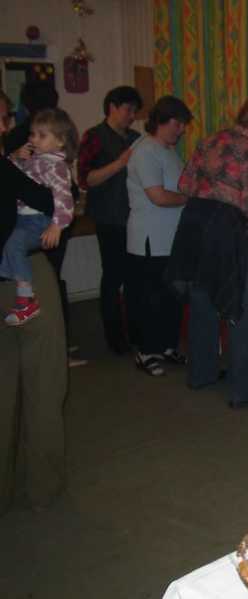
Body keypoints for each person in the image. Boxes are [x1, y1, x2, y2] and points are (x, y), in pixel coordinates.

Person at [170, 95, 248, 408]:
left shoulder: (208, 141)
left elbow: (184, 185)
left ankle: (201, 373)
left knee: (202, 300)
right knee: (239, 307)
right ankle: (246, 389)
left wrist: (213, 193)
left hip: (193, 224)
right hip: (224, 231)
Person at [0, 90, 68, 515]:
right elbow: (47, 201)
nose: (8, 127)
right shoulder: (13, 167)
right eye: (3, 118)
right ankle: (43, 487)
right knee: (43, 384)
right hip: (22, 272)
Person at [126, 95, 192, 377]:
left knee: (171, 296)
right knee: (150, 298)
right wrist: (191, 200)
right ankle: (145, 351)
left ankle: (166, 346)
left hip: (172, 237)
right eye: (179, 124)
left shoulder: (169, 150)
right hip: (149, 239)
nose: (182, 130)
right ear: (163, 121)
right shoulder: (144, 151)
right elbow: (159, 197)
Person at [77, 85, 142, 354]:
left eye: (135, 111)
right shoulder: (94, 137)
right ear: (112, 107)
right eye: (128, 110)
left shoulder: (136, 138)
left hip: (136, 217)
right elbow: (86, 179)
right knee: (113, 277)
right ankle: (115, 338)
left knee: (135, 277)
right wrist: (119, 163)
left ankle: (137, 332)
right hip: (109, 218)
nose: (132, 116)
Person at [0, 108, 78, 325]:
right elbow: (15, 178)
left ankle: (27, 300)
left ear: (60, 141)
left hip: (37, 221)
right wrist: (15, 158)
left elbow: (65, 199)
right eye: (33, 134)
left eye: (42, 136)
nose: (34, 139)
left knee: (14, 243)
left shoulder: (56, 166)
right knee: (9, 247)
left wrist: (56, 225)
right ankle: (19, 286)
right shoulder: (37, 159)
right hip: (24, 218)